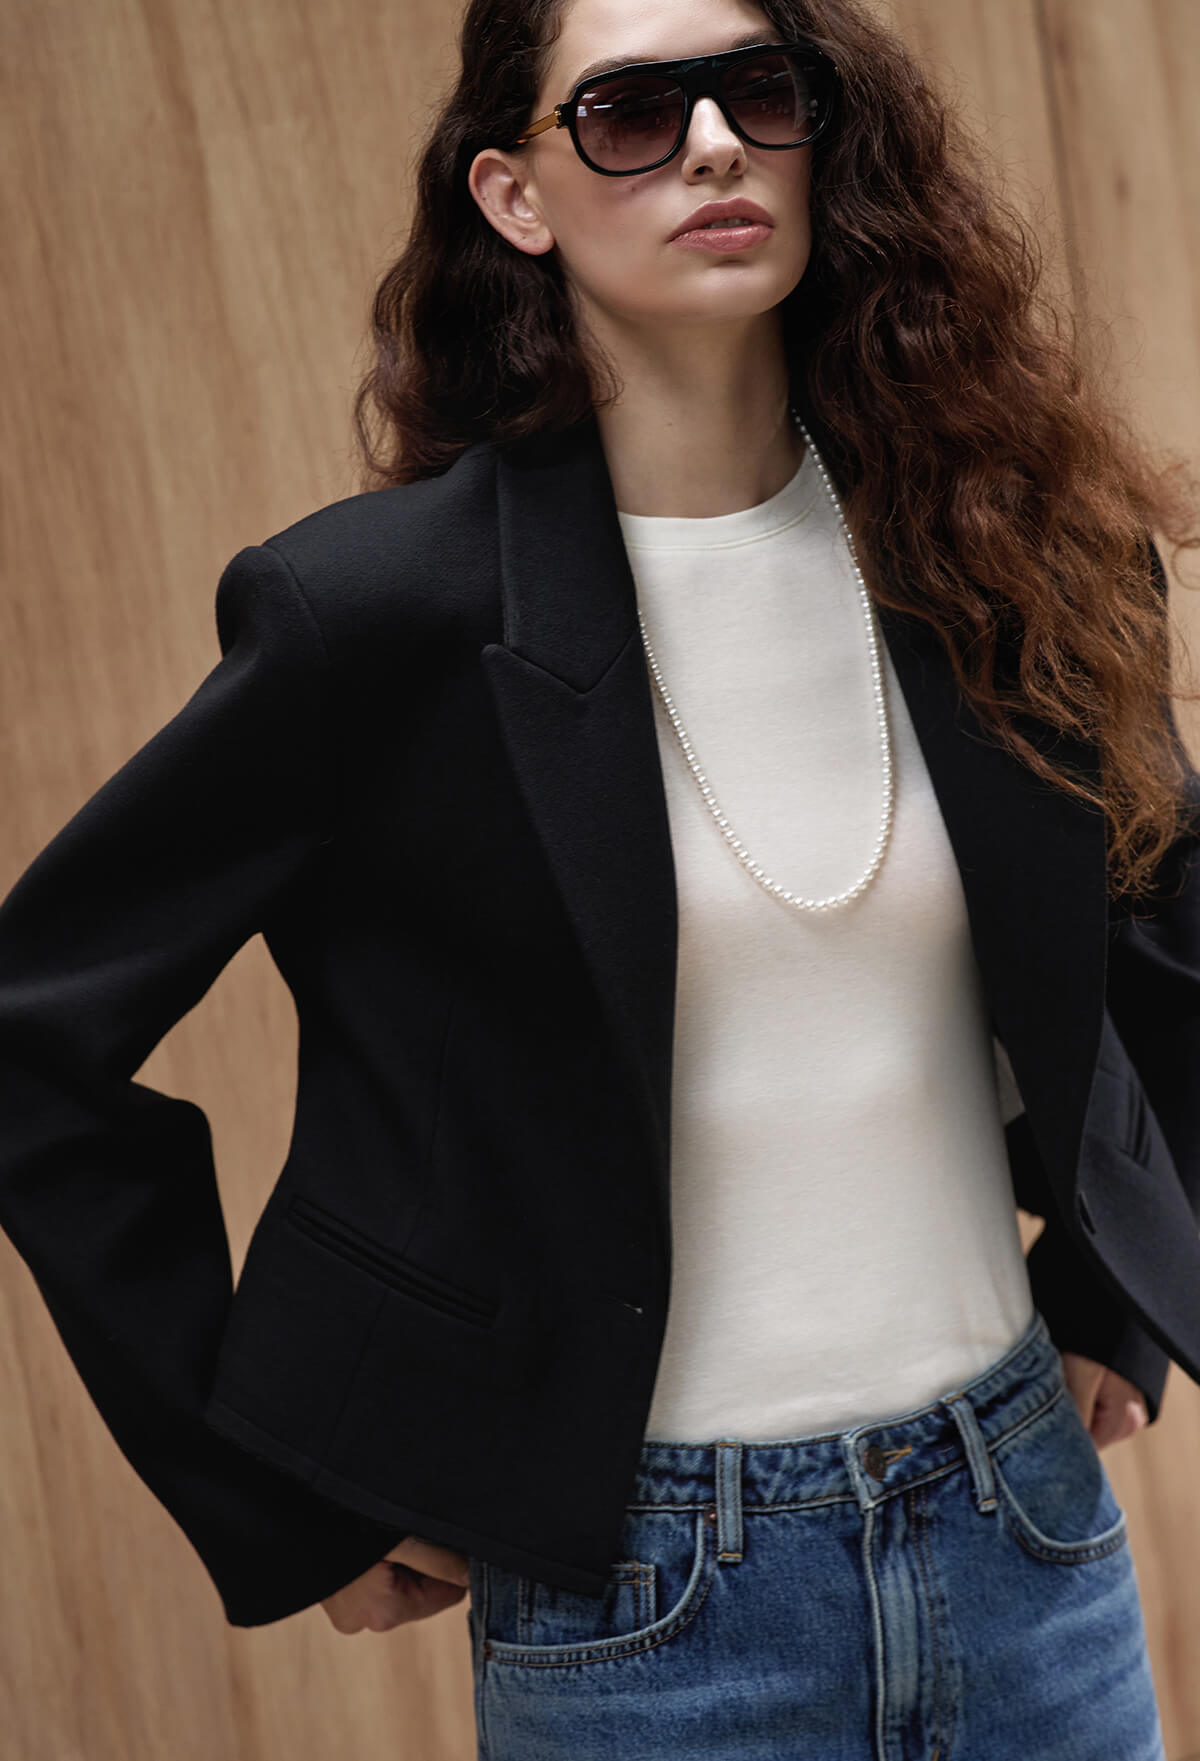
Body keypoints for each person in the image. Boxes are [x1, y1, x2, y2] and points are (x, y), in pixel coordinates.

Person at [1, 0, 1197, 1752]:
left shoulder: (1005, 538)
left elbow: (1158, 919)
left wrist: (1115, 1295)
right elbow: (34, 1033)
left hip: (1022, 1533)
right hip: (649, 1604)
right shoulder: (374, 618)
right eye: (631, 113)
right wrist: (270, 1496)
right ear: (516, 195)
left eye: (759, 93)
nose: (713, 144)